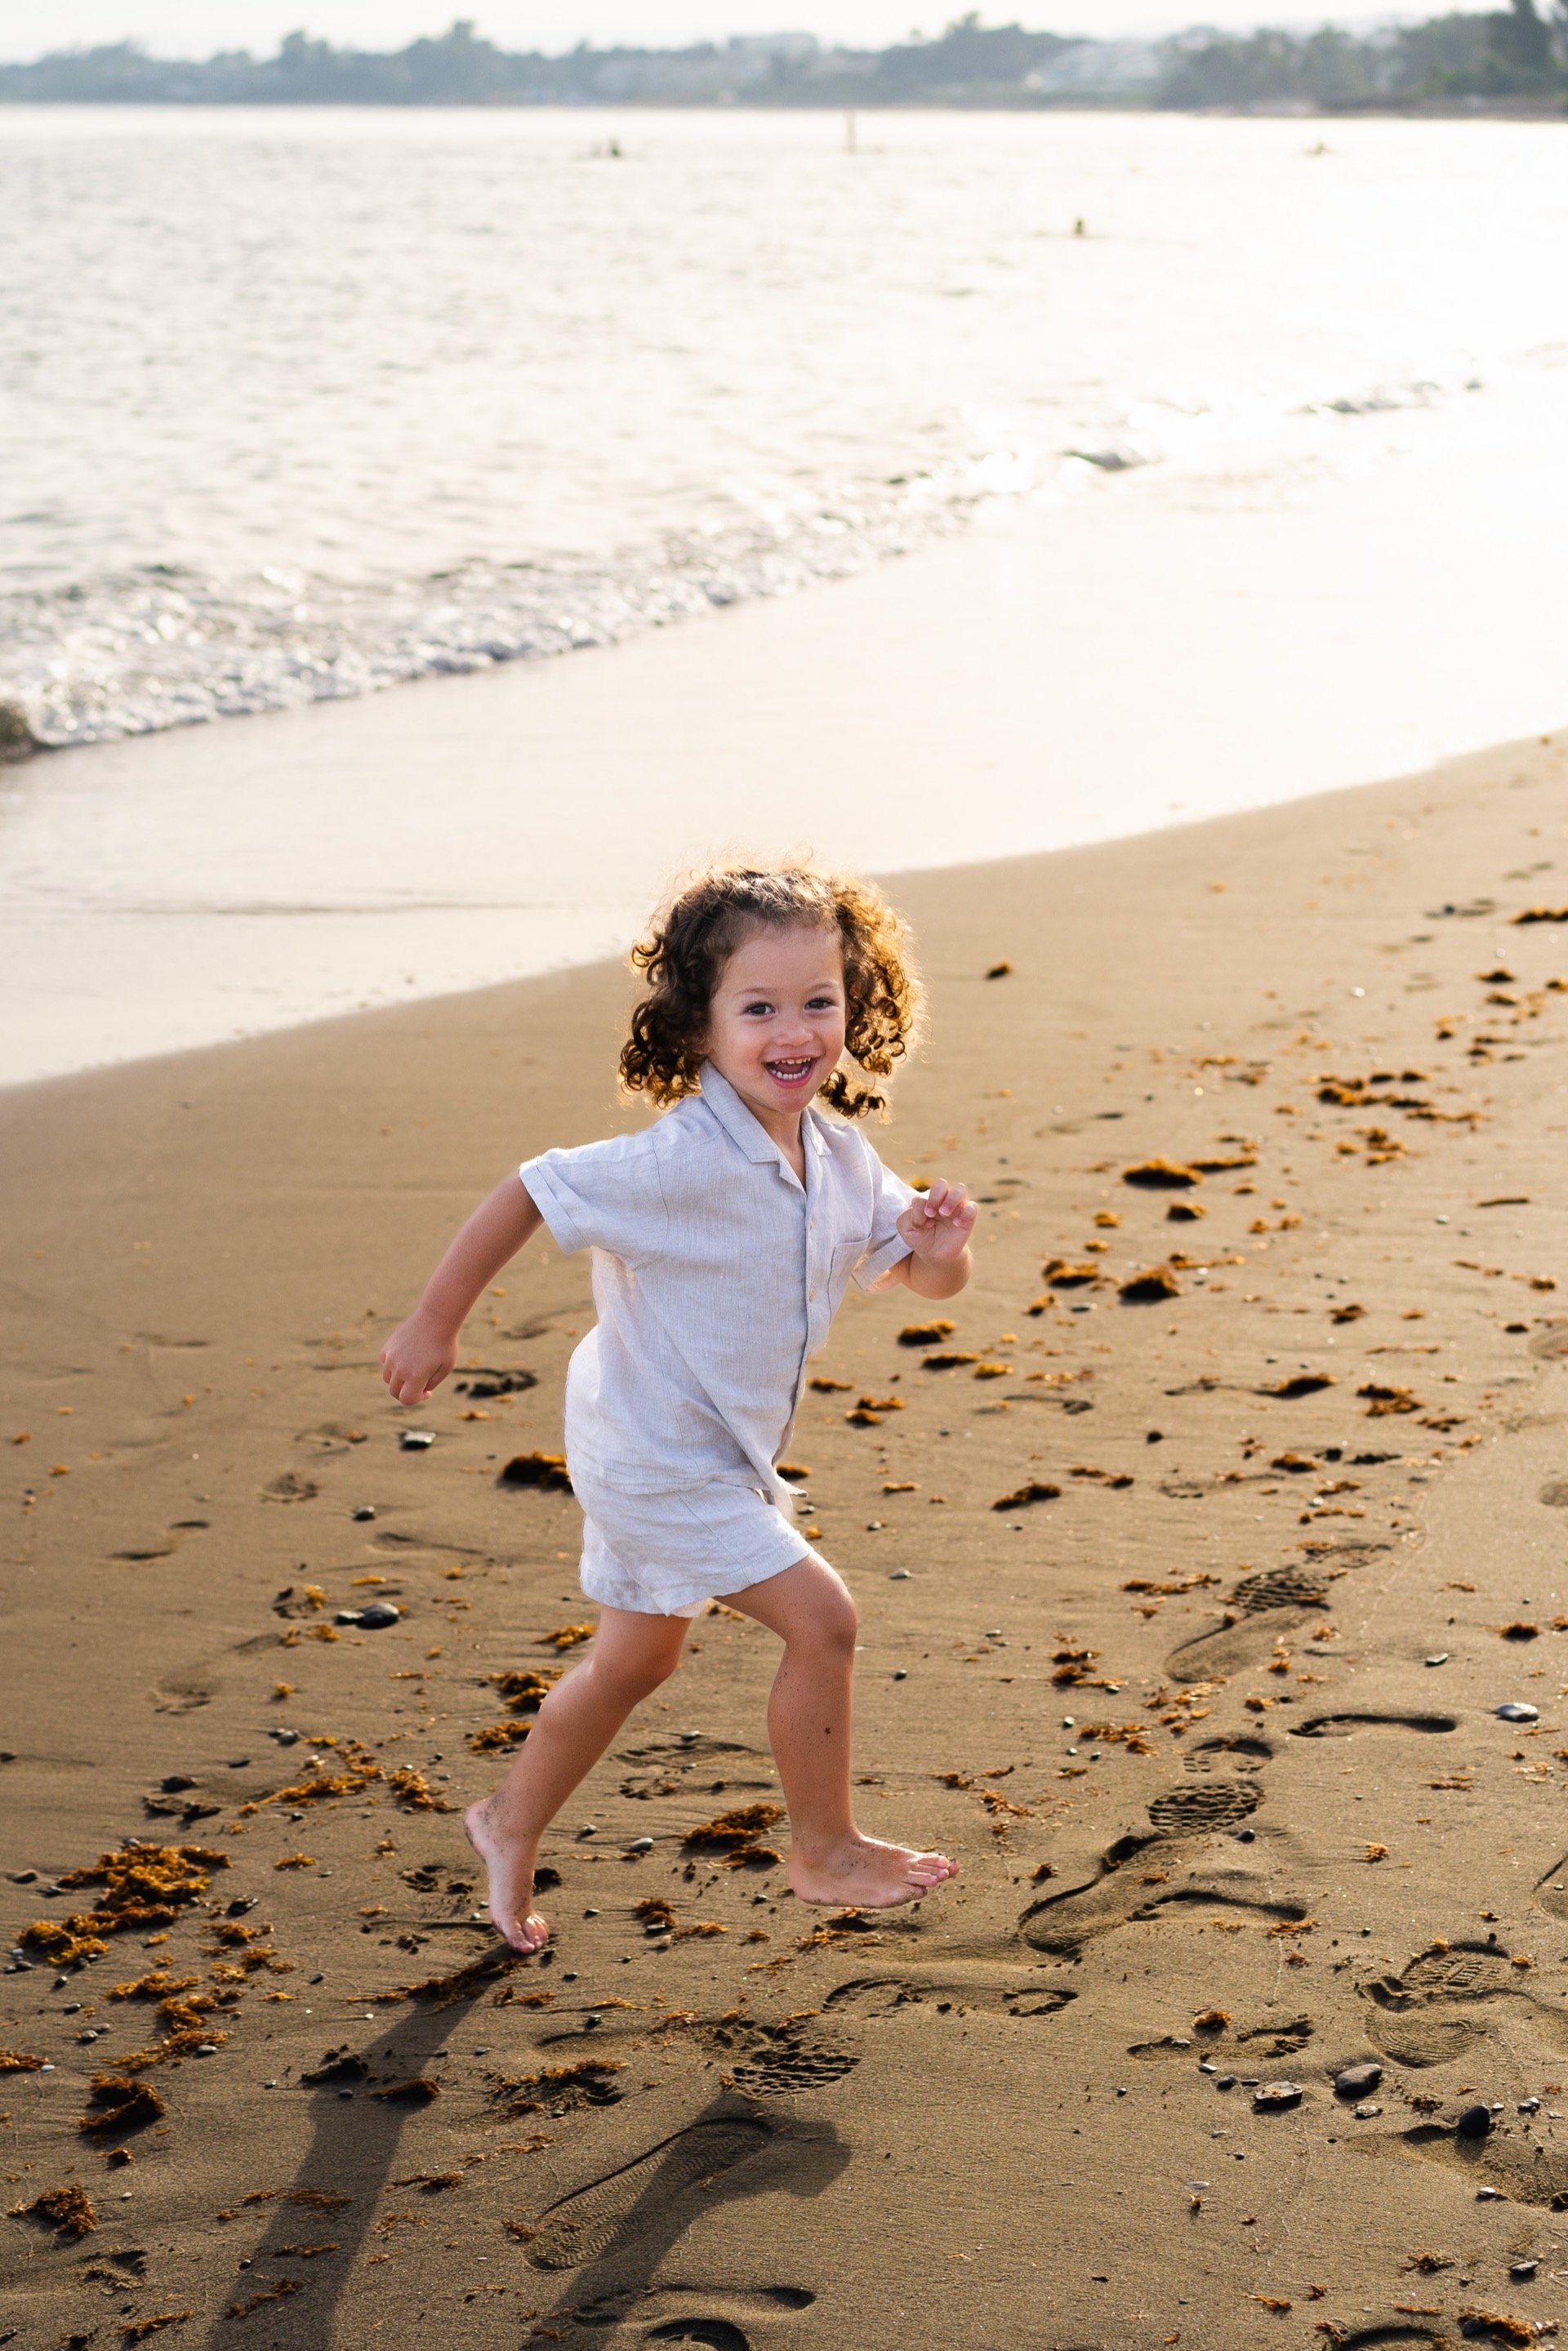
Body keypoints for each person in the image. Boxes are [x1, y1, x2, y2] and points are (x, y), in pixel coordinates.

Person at [380, 865, 973, 1955]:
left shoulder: (841, 1159)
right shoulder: (673, 1163)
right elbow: (530, 1189)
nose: (793, 1030)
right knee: (823, 1620)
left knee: (635, 1663)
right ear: (697, 1026)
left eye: (818, 1001)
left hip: (705, 1448)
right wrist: (434, 1324)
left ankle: (506, 1825)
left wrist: (943, 1252)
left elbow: (923, 1283)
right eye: (758, 1009)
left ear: (858, 1001)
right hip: (654, 1456)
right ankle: (824, 1851)